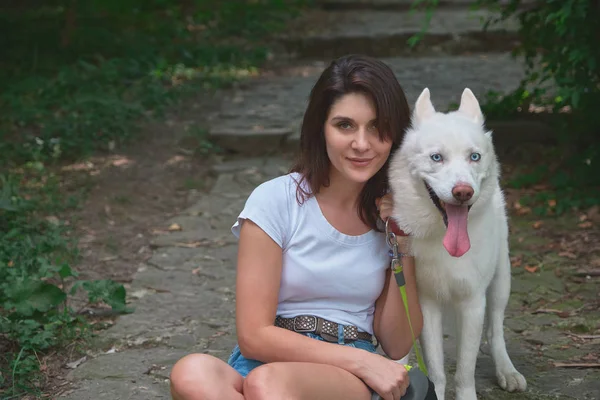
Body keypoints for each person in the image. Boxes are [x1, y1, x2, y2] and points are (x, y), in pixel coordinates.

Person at [169, 54, 437, 400]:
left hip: (345, 380)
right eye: (345, 125)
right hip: (269, 361)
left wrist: (402, 240)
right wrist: (360, 361)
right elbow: (253, 334)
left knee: (268, 386)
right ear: (319, 128)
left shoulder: (390, 215)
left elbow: (399, 340)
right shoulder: (275, 201)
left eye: (376, 127)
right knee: (192, 373)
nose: (361, 143)